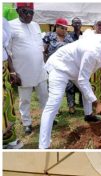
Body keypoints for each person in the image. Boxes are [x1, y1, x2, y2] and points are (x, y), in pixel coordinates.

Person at [39, 28, 101, 149]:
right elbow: (83, 79)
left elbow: (97, 57)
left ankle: (89, 115)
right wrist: (96, 103)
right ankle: (43, 145)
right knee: (54, 103)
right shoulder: (92, 51)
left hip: (75, 67)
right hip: (60, 66)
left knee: (87, 91)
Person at [8, 2, 48, 135]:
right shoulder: (10, 25)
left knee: (44, 96)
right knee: (25, 99)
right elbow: (6, 51)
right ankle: (27, 123)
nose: (29, 15)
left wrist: (44, 64)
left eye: (32, 12)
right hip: (23, 71)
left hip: (40, 69)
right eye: (26, 12)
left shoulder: (35, 25)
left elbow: (41, 47)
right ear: (19, 11)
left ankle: (46, 119)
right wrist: (13, 71)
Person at [43, 18, 75, 114]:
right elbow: (43, 51)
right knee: (53, 88)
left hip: (65, 66)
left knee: (69, 87)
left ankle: (71, 106)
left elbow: (73, 52)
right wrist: (45, 65)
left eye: (66, 28)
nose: (64, 30)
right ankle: (56, 109)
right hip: (52, 67)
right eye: (62, 28)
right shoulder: (49, 36)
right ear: (56, 26)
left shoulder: (69, 38)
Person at [3, 18, 23, 149]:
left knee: (6, 105)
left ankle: (7, 138)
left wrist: (12, 71)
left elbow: (5, 48)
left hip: (2, 69)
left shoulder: (2, 21)